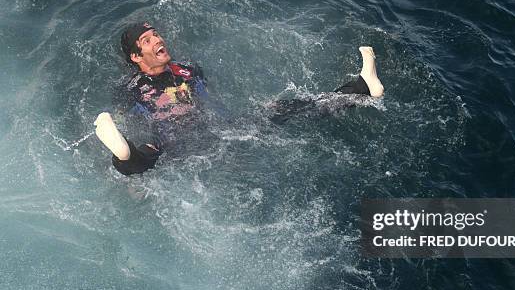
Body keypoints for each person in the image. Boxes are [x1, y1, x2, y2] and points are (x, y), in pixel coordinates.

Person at [95, 22, 385, 176]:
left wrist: (239, 118)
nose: (158, 41)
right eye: (147, 41)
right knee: (148, 150)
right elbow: (131, 118)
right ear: (135, 57)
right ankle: (125, 157)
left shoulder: (188, 69)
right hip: (176, 143)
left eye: (156, 35)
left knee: (281, 108)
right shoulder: (130, 87)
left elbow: (210, 101)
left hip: (214, 131)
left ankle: (361, 86)